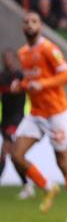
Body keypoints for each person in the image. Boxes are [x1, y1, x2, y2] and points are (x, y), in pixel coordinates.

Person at [10, 12, 67, 222]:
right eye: (26, 22)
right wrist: (22, 85)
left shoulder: (49, 49)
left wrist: (42, 84)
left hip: (56, 113)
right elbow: (31, 79)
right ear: (23, 27)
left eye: (34, 21)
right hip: (35, 113)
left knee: (62, 161)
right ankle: (47, 186)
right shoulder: (23, 52)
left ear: (40, 26)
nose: (29, 25)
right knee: (16, 154)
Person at [0, 49, 31, 198]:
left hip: (17, 119)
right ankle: (27, 184)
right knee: (14, 156)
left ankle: (27, 185)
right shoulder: (1, 77)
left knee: (4, 152)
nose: (7, 61)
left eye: (9, 58)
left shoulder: (20, 76)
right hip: (4, 120)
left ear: (14, 60)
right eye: (5, 58)